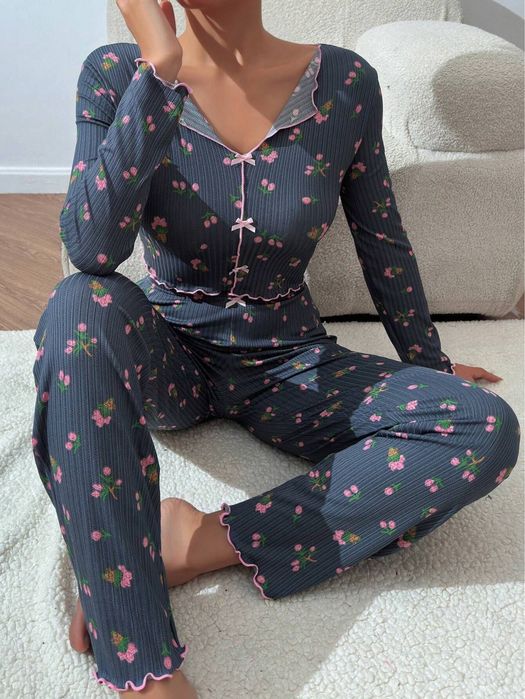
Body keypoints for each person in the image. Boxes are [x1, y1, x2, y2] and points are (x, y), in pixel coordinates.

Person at [30, 0, 521, 696]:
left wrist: (430, 363)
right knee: (77, 304)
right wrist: (160, 71)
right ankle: (142, 665)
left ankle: (195, 541)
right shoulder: (117, 73)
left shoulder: (344, 83)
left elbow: (381, 236)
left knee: (481, 425)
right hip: (166, 350)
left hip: (289, 363)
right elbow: (91, 250)